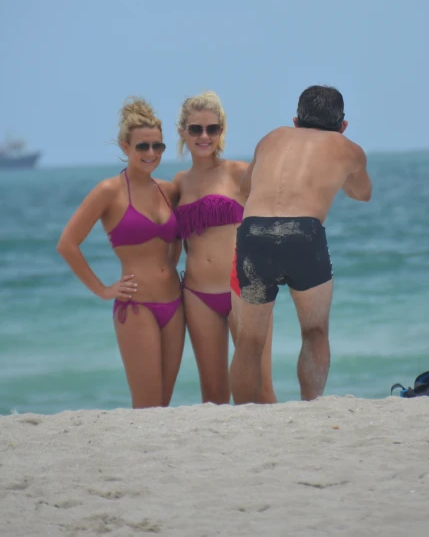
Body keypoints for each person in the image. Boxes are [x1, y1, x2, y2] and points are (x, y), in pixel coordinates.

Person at [230, 85, 372, 404]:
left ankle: (241, 413)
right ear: (343, 125)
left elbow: (244, 188)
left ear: (295, 120)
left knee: (249, 339)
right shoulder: (348, 148)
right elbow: (363, 193)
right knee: (314, 331)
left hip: (254, 235)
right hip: (303, 235)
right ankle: (312, 405)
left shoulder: (271, 138)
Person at [57, 98, 184, 409]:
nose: (151, 154)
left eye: (158, 146)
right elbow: (67, 244)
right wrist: (103, 289)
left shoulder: (168, 191)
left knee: (164, 405)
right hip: (136, 306)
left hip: (175, 304)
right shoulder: (108, 191)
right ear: (125, 146)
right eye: (143, 147)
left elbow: (178, 238)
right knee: (146, 406)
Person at [173, 91, 276, 405]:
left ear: (221, 132)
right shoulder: (178, 183)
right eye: (196, 129)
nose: (204, 136)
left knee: (259, 390)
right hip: (197, 296)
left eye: (212, 129)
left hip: (245, 291)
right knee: (213, 395)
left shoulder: (238, 173)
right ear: (183, 133)